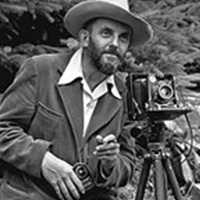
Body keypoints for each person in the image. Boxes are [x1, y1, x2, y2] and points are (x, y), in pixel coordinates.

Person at [0, 0, 153, 199]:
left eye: (123, 38)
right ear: (85, 38)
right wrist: (43, 160)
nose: (115, 44)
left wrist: (110, 164)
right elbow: (3, 129)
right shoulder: (41, 70)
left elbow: (127, 163)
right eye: (106, 33)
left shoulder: (122, 93)